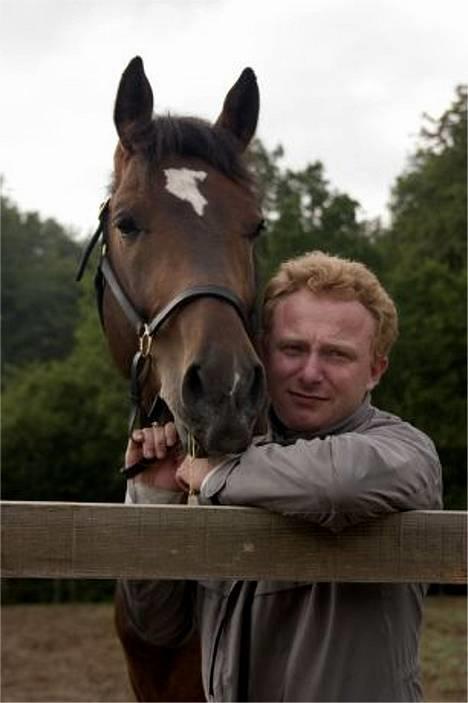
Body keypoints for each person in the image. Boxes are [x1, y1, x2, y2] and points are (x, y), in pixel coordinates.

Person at [120, 250, 442, 702]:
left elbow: (337, 484)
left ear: (375, 370)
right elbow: (158, 624)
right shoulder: (231, 464)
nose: (310, 373)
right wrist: (154, 496)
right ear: (262, 351)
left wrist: (213, 474)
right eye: (292, 349)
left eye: (336, 354)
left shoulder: (404, 451)